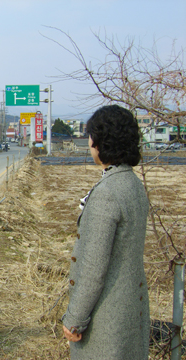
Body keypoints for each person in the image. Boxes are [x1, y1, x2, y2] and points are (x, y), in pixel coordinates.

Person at [61, 105, 150, 359]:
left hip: (105, 318)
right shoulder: (132, 183)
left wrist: (75, 318)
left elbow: (93, 266)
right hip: (131, 306)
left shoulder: (107, 193)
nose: (89, 143)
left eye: (91, 136)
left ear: (102, 141)